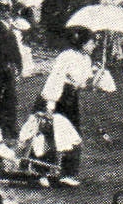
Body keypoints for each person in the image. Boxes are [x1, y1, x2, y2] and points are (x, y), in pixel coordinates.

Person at [40, 27, 97, 186]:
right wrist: (50, 105)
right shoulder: (66, 56)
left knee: (72, 134)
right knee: (50, 132)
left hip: (72, 100)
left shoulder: (87, 59)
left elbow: (83, 82)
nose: (94, 46)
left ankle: (68, 173)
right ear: (83, 43)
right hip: (59, 97)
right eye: (92, 43)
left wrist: (96, 75)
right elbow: (55, 79)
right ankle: (43, 171)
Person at [0, 0, 23, 139]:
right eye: (4, 10)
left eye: (8, 10)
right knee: (5, 97)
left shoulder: (5, 26)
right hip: (2, 67)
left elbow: (14, 47)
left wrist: (18, 64)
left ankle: (8, 126)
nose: (7, 12)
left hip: (8, 66)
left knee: (9, 97)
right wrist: (6, 65)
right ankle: (4, 127)